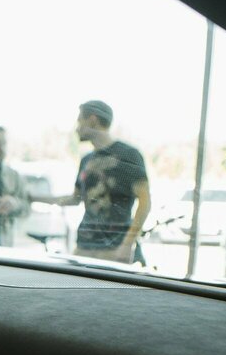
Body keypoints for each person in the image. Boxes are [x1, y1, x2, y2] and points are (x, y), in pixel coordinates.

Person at [51, 100, 152, 263]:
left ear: (92, 120)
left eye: (79, 121)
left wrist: (127, 245)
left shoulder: (128, 155)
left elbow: (145, 202)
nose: (76, 128)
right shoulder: (86, 160)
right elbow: (75, 198)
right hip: (84, 246)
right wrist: (35, 198)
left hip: (114, 247)